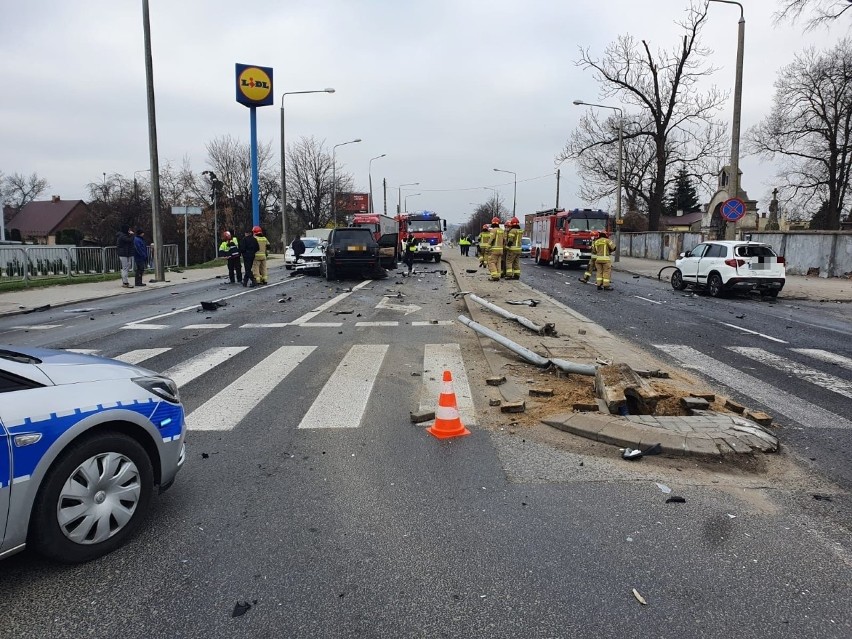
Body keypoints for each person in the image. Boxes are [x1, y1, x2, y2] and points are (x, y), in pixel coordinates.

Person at [485, 217, 505, 282]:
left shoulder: (493, 230)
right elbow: (504, 240)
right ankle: (498, 275)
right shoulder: (502, 230)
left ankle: (494, 276)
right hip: (500, 250)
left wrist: (487, 249)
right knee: (498, 263)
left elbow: (491, 240)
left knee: (491, 262)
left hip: (494, 250)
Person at [116, 224, 134, 288]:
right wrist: (132, 235)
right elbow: (129, 240)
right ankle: (125, 282)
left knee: (128, 266)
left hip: (127, 253)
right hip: (123, 253)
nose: (130, 230)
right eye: (128, 229)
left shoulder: (124, 235)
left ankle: (124, 280)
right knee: (125, 268)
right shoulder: (122, 236)